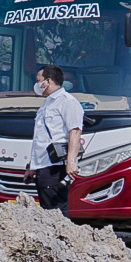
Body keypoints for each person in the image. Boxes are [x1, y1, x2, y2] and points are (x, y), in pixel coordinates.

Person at [30, 64, 85, 217]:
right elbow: (40, 138)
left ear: (47, 81)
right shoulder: (47, 103)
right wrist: (31, 166)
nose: (36, 84)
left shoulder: (67, 101)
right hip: (43, 165)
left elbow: (75, 131)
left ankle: (61, 240)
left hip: (55, 166)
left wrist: (71, 161)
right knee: (47, 210)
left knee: (56, 212)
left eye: (38, 80)